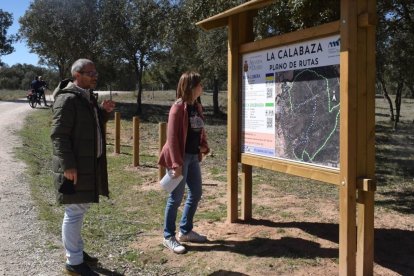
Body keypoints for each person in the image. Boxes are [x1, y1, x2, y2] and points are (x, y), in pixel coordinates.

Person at [51, 59, 115, 275]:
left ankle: (76, 251)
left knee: (79, 209)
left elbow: (89, 127)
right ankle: (74, 262)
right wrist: (68, 165)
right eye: (90, 73)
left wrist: (103, 113)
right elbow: (59, 135)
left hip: (88, 164)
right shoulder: (68, 99)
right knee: (74, 211)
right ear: (77, 75)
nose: (95, 76)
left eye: (95, 72)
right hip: (75, 166)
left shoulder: (85, 97)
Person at [158, 71, 210, 254]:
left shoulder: (197, 106)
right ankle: (168, 236)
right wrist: (175, 164)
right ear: (191, 87)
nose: (202, 87)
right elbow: (171, 138)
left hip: (193, 157)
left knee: (196, 192)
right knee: (175, 198)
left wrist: (204, 146)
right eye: (199, 84)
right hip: (179, 159)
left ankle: (185, 231)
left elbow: (200, 131)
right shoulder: (178, 108)